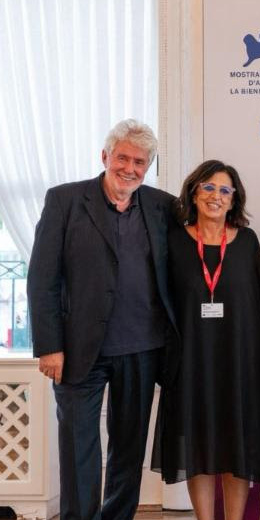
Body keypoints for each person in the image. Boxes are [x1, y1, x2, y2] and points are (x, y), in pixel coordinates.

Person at [27, 119, 176, 520]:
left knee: (129, 449)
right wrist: (49, 346)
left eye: (139, 162)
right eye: (122, 158)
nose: (129, 168)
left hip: (142, 347)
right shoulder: (65, 200)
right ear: (105, 156)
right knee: (79, 448)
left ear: (148, 167)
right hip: (77, 350)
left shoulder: (163, 206)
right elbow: (42, 278)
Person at [151, 160, 260, 520]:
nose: (215, 196)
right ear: (193, 193)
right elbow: (160, 303)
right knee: (198, 448)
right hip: (190, 361)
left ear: (234, 199)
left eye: (224, 190)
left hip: (239, 361)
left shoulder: (247, 241)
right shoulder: (174, 241)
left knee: (238, 449)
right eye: (207, 187)